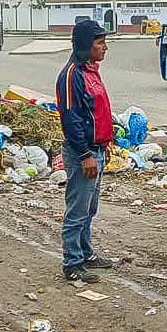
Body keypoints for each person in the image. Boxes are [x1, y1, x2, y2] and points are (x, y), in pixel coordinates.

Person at [56, 20, 115, 283]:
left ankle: (86, 253)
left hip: (97, 150)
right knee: (77, 210)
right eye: (100, 43)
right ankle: (72, 263)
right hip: (83, 154)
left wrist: (105, 144)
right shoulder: (72, 75)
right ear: (85, 45)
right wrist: (84, 155)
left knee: (89, 208)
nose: (105, 48)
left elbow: (96, 113)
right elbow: (71, 119)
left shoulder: (91, 72)